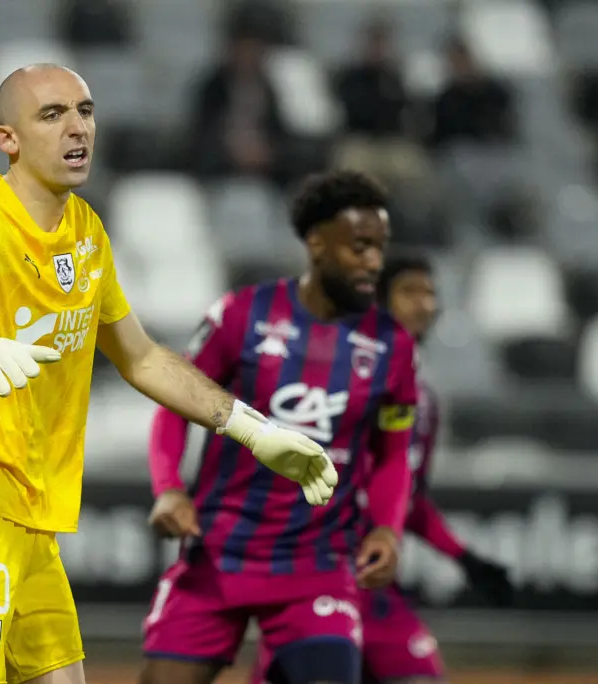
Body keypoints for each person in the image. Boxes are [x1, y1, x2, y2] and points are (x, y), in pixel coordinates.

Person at [0, 63, 338, 684]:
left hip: (34, 518)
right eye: (52, 115)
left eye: (86, 111)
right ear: (7, 139)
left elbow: (142, 357)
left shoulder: (87, 234)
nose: (78, 128)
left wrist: (250, 429)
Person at [142, 170, 418, 684]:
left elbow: (394, 453)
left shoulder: (393, 347)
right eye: (360, 248)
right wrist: (169, 489)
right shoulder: (242, 315)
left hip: (318, 566)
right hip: (218, 554)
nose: (374, 264)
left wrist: (386, 529)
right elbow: (173, 405)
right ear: (316, 242)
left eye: (380, 249)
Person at [249, 252, 516, 684]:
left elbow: (409, 501)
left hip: (375, 593)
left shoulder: (423, 404)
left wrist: (465, 559)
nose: (424, 304)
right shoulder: (333, 382)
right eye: (410, 291)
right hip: (315, 585)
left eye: (430, 294)